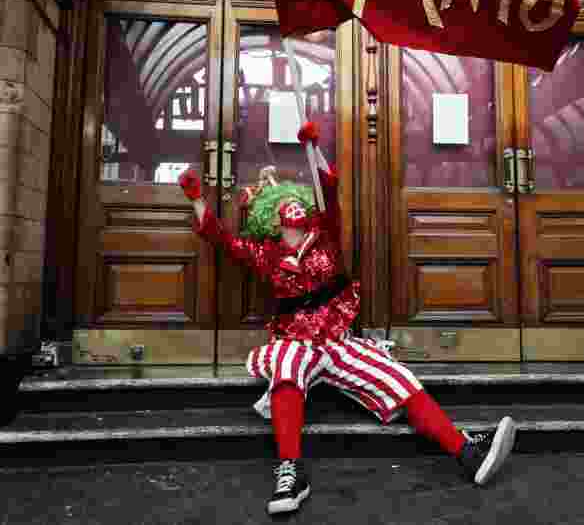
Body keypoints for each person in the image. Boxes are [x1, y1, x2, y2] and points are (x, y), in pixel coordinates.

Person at [178, 121, 516, 516]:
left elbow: (329, 186)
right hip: (295, 343)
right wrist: (197, 198)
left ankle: (467, 452)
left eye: (289, 202)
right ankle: (291, 470)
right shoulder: (264, 253)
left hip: (337, 342)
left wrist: (312, 147)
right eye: (273, 205)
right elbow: (220, 237)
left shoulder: (326, 231)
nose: (285, 209)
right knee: (287, 362)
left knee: (400, 378)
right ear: (267, 218)